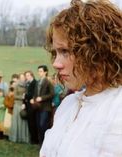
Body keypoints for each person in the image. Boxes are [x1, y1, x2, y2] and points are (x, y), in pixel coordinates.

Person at [40, 0, 122, 156]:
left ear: (98, 51)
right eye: (56, 53)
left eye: (65, 51)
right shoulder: (68, 105)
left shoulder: (118, 109)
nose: (56, 64)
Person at [30, 65, 54, 146]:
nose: (39, 73)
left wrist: (42, 98)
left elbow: (52, 94)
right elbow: (36, 94)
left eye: (40, 71)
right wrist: (33, 98)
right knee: (39, 126)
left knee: (43, 125)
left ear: (45, 72)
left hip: (46, 107)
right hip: (38, 107)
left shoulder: (48, 82)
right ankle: (41, 143)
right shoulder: (38, 82)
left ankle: (46, 143)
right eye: (38, 71)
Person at [9, 73, 30, 143]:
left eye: (23, 77)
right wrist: (22, 97)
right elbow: (14, 96)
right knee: (17, 121)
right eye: (21, 77)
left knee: (24, 121)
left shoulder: (27, 85)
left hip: (24, 105)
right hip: (17, 104)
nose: (22, 78)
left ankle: (24, 138)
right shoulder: (17, 85)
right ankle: (16, 137)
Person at [24, 70, 38, 144]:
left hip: (32, 105)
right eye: (26, 76)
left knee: (33, 122)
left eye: (28, 75)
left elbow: (33, 94)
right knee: (30, 122)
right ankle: (32, 138)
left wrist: (25, 95)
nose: (27, 77)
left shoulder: (35, 83)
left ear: (31, 75)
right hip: (28, 104)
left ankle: (34, 139)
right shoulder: (28, 83)